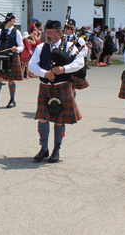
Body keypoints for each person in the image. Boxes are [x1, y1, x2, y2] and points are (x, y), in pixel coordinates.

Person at [28, 20, 84, 163]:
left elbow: (79, 63)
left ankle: (56, 150)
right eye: (46, 32)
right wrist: (44, 73)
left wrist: (64, 69)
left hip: (62, 87)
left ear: (60, 33)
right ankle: (44, 148)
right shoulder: (41, 47)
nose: (48, 35)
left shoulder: (71, 46)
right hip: (45, 88)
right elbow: (31, 65)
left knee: (59, 121)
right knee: (42, 118)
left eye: (51, 33)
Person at [0, 13, 24, 108]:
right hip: (1, 56)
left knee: (10, 78)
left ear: (13, 21)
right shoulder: (1, 31)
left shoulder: (16, 32)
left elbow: (21, 46)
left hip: (12, 57)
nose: (8, 22)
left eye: (10, 20)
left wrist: (16, 49)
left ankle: (12, 100)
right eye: (7, 20)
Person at [63, 19, 89, 92]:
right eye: (65, 28)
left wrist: (76, 56)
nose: (66, 30)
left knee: (71, 87)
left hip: (73, 64)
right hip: (64, 63)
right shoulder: (62, 38)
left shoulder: (79, 39)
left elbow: (84, 51)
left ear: (73, 28)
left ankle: (72, 100)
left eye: (68, 28)